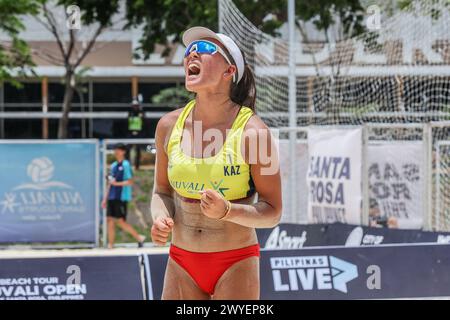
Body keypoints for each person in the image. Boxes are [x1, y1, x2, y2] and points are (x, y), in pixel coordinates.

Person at [150, 27, 282, 300]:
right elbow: (161, 191)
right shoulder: (168, 125)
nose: (193, 53)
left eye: (206, 49)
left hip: (235, 262)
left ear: (229, 71)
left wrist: (227, 211)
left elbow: (273, 213)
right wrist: (160, 218)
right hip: (181, 261)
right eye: (189, 51)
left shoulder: (254, 133)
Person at [102, 143, 146, 249]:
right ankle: (110, 245)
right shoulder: (113, 165)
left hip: (121, 196)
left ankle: (139, 238)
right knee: (109, 220)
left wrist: (117, 184)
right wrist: (105, 198)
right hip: (112, 196)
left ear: (123, 152)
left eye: (118, 149)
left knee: (120, 221)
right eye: (115, 149)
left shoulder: (126, 165)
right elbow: (110, 183)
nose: (116, 151)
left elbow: (130, 181)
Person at [128, 99, 145, 170]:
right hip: (130, 133)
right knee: (128, 150)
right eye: (134, 106)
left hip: (139, 133)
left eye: (136, 106)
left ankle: (137, 166)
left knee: (138, 150)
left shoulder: (141, 113)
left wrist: (141, 113)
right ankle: (128, 165)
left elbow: (144, 121)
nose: (135, 107)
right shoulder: (130, 113)